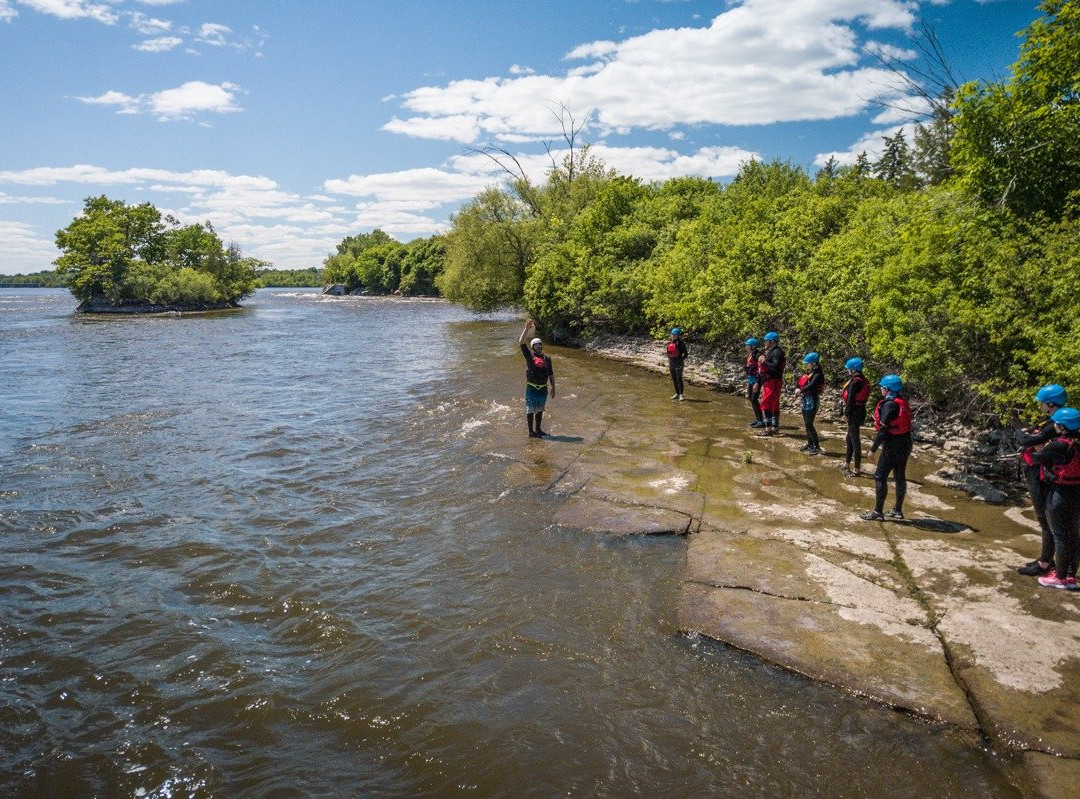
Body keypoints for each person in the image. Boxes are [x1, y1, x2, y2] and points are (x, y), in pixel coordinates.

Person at [1016, 384, 1068, 577]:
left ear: (1051, 404)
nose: (1040, 406)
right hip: (1039, 473)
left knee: (1045, 521)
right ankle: (1046, 559)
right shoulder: (1058, 421)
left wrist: (1020, 433)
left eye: (1042, 403)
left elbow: (1026, 440)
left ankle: (1045, 563)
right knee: (1046, 521)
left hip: (1041, 475)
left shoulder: (1056, 423)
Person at [1029, 407, 1080, 590]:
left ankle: (1060, 577)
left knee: (1060, 536)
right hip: (1077, 492)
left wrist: (1038, 446)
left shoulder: (1059, 444)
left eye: (1057, 424)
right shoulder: (1076, 442)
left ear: (1063, 427)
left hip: (1060, 493)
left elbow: (1036, 458)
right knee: (1073, 535)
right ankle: (1070, 576)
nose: (1055, 426)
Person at [861, 374, 913, 521]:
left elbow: (883, 429)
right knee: (899, 476)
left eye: (882, 387)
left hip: (892, 445)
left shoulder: (889, 404)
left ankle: (878, 512)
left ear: (887, 389)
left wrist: (873, 449)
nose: (881, 390)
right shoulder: (902, 401)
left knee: (880, 476)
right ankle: (897, 510)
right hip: (906, 443)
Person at [518, 319, 555, 438]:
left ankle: (538, 430)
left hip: (543, 389)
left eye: (540, 344)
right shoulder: (530, 356)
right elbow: (521, 342)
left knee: (540, 410)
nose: (538, 346)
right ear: (533, 347)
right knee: (530, 410)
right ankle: (531, 432)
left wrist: (553, 388)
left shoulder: (547, 359)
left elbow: (551, 374)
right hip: (531, 388)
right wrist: (526, 329)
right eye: (536, 344)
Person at [840, 357, 871, 477]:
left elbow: (851, 400)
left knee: (854, 441)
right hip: (860, 411)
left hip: (854, 413)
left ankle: (857, 469)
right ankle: (847, 464)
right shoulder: (862, 379)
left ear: (854, 370)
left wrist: (846, 414)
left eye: (849, 369)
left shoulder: (855, 383)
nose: (848, 370)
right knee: (849, 439)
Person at [794, 352, 825, 454]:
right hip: (805, 399)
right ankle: (810, 443)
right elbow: (801, 382)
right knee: (806, 423)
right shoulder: (810, 372)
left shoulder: (818, 374)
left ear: (813, 363)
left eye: (808, 363)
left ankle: (816, 446)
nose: (806, 365)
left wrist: (800, 390)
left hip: (812, 400)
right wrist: (797, 388)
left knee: (809, 423)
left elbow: (811, 385)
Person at [757, 332, 785, 436]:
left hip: (773, 381)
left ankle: (768, 428)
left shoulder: (776, 352)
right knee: (774, 404)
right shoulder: (773, 351)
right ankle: (775, 427)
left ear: (772, 341)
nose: (765, 342)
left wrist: (764, 362)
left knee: (766, 403)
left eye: (766, 341)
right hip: (772, 381)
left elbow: (775, 365)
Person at [744, 337, 764, 427]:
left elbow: (761, 369)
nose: (746, 347)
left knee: (754, 399)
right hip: (751, 380)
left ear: (753, 346)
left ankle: (761, 420)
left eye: (747, 345)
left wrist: (757, 382)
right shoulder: (751, 355)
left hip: (756, 380)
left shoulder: (757, 355)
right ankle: (758, 419)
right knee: (751, 399)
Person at [665, 327, 688, 401]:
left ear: (678, 335)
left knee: (679, 378)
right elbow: (668, 352)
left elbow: (686, 354)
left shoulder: (681, 343)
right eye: (672, 334)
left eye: (675, 335)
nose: (673, 336)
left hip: (679, 363)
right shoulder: (670, 342)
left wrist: (681, 360)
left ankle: (681, 395)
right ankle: (677, 394)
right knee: (674, 378)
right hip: (672, 363)